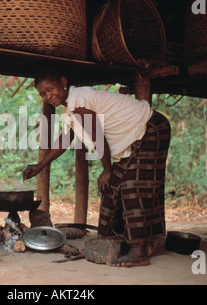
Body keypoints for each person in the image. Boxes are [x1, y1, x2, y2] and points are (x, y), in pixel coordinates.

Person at [22, 69, 171, 267]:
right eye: (43, 94)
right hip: (134, 139)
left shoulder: (80, 101)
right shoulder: (70, 109)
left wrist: (107, 170)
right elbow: (65, 139)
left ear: (63, 82)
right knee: (109, 188)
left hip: (151, 128)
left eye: (50, 89)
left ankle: (138, 251)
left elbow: (97, 137)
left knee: (131, 187)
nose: (48, 96)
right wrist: (40, 166)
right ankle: (104, 244)